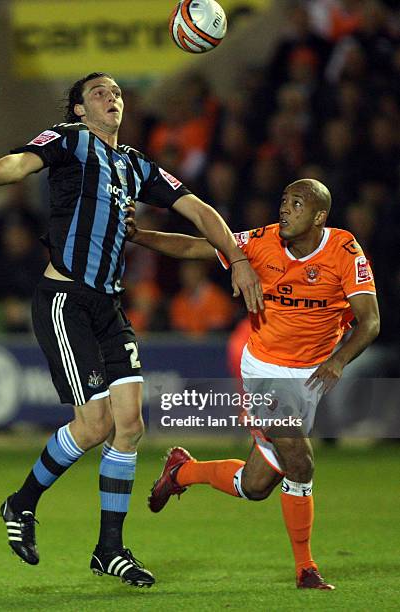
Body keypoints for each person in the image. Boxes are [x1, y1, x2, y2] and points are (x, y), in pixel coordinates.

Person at [0, 72, 263, 588]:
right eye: (98, 92)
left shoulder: (136, 165)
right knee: (94, 426)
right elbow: (21, 161)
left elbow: (198, 209)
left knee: (130, 424)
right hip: (65, 300)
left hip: (108, 307)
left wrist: (237, 259)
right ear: (77, 109)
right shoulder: (69, 140)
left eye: (115, 92)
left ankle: (109, 549)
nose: (111, 97)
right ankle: (20, 503)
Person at [125, 178, 380, 590]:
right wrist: (139, 236)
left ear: (318, 216)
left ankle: (182, 472)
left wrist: (338, 360)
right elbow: (196, 246)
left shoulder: (344, 250)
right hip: (265, 369)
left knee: (256, 485)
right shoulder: (260, 242)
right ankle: (306, 570)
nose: (285, 210)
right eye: (283, 201)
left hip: (312, 376)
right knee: (300, 460)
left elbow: (370, 321)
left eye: (296, 205)